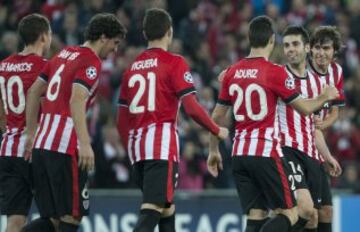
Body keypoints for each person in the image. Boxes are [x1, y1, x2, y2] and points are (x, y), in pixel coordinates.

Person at [207, 16, 339, 232]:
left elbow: (216, 117)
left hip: (239, 154)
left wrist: (213, 150)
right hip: (266, 152)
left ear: (249, 39)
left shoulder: (231, 72)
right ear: (272, 41)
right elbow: (305, 109)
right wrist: (325, 97)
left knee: (257, 214)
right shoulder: (275, 72)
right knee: (291, 213)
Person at [117, 8, 228, 232]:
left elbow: (121, 120)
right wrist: (216, 129)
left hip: (137, 150)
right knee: (151, 211)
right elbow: (192, 108)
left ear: (145, 34)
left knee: (166, 208)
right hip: (160, 147)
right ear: (169, 32)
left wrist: (129, 148)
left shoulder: (131, 69)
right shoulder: (174, 62)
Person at [21, 13, 126, 232]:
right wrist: (85, 143)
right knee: (72, 217)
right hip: (64, 148)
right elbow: (76, 98)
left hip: (42, 146)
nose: (115, 50)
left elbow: (33, 92)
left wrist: (31, 133)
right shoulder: (91, 61)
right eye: (115, 43)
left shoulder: (63, 54)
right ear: (103, 37)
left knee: (53, 219)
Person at [0, 14, 51, 232]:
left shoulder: (3, 66)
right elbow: (47, 108)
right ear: (43, 36)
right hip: (36, 150)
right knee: (58, 216)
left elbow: (1, 112)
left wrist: (10, 130)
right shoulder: (46, 67)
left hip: (8, 150)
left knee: (15, 220)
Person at [278, 25, 326, 232]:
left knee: (313, 217)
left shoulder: (318, 83)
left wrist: (328, 156)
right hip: (286, 150)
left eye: (295, 44)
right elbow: (250, 76)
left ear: (307, 48)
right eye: (286, 45)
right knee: (303, 209)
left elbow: (315, 125)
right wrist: (230, 73)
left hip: (311, 155)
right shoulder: (277, 75)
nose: (290, 49)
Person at [308, 26, 345, 232]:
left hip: (317, 142)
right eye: (317, 47)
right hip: (301, 143)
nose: (321, 53)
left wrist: (323, 124)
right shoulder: (302, 71)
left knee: (326, 211)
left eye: (326, 48)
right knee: (309, 213)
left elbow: (334, 113)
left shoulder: (337, 72)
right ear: (310, 49)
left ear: (334, 51)